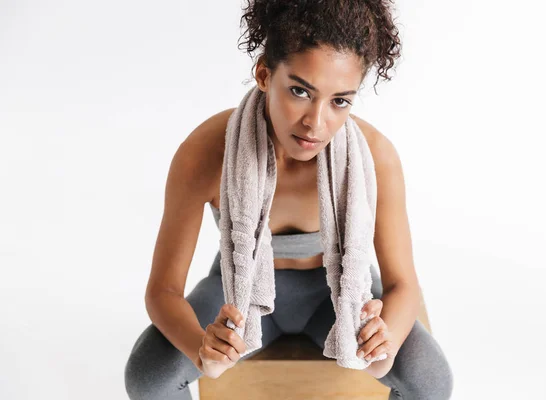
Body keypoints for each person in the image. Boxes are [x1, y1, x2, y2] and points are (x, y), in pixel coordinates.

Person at [124, 1, 453, 399]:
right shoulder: (206, 153)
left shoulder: (375, 157)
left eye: (340, 101)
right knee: (147, 375)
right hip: (237, 296)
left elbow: (403, 284)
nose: (316, 122)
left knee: (431, 379)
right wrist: (201, 349)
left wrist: (384, 345)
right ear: (264, 73)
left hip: (334, 296)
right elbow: (162, 292)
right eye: (300, 91)